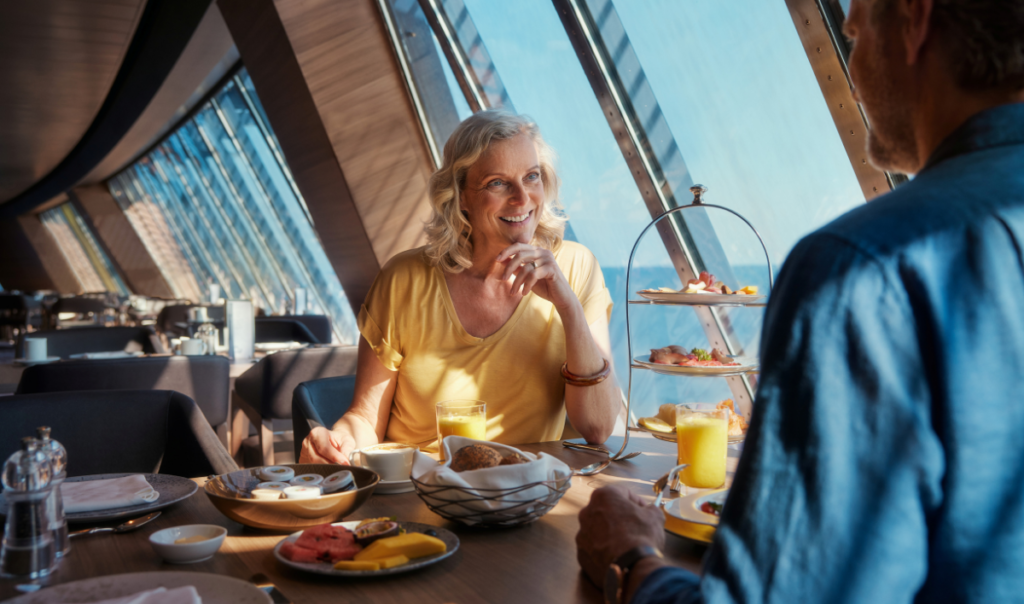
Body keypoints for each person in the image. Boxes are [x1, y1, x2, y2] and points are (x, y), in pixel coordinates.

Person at [576, 0, 1024, 602]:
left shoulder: (861, 271)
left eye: (856, 34)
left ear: (915, 21)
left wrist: (631, 558)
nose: (853, 74)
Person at [300, 110, 619, 462]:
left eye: (532, 177)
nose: (522, 198)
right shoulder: (403, 281)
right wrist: (336, 441)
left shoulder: (574, 268)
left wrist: (568, 306)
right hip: (421, 492)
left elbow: (598, 427)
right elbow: (364, 420)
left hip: (524, 494)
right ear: (461, 196)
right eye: (498, 183)